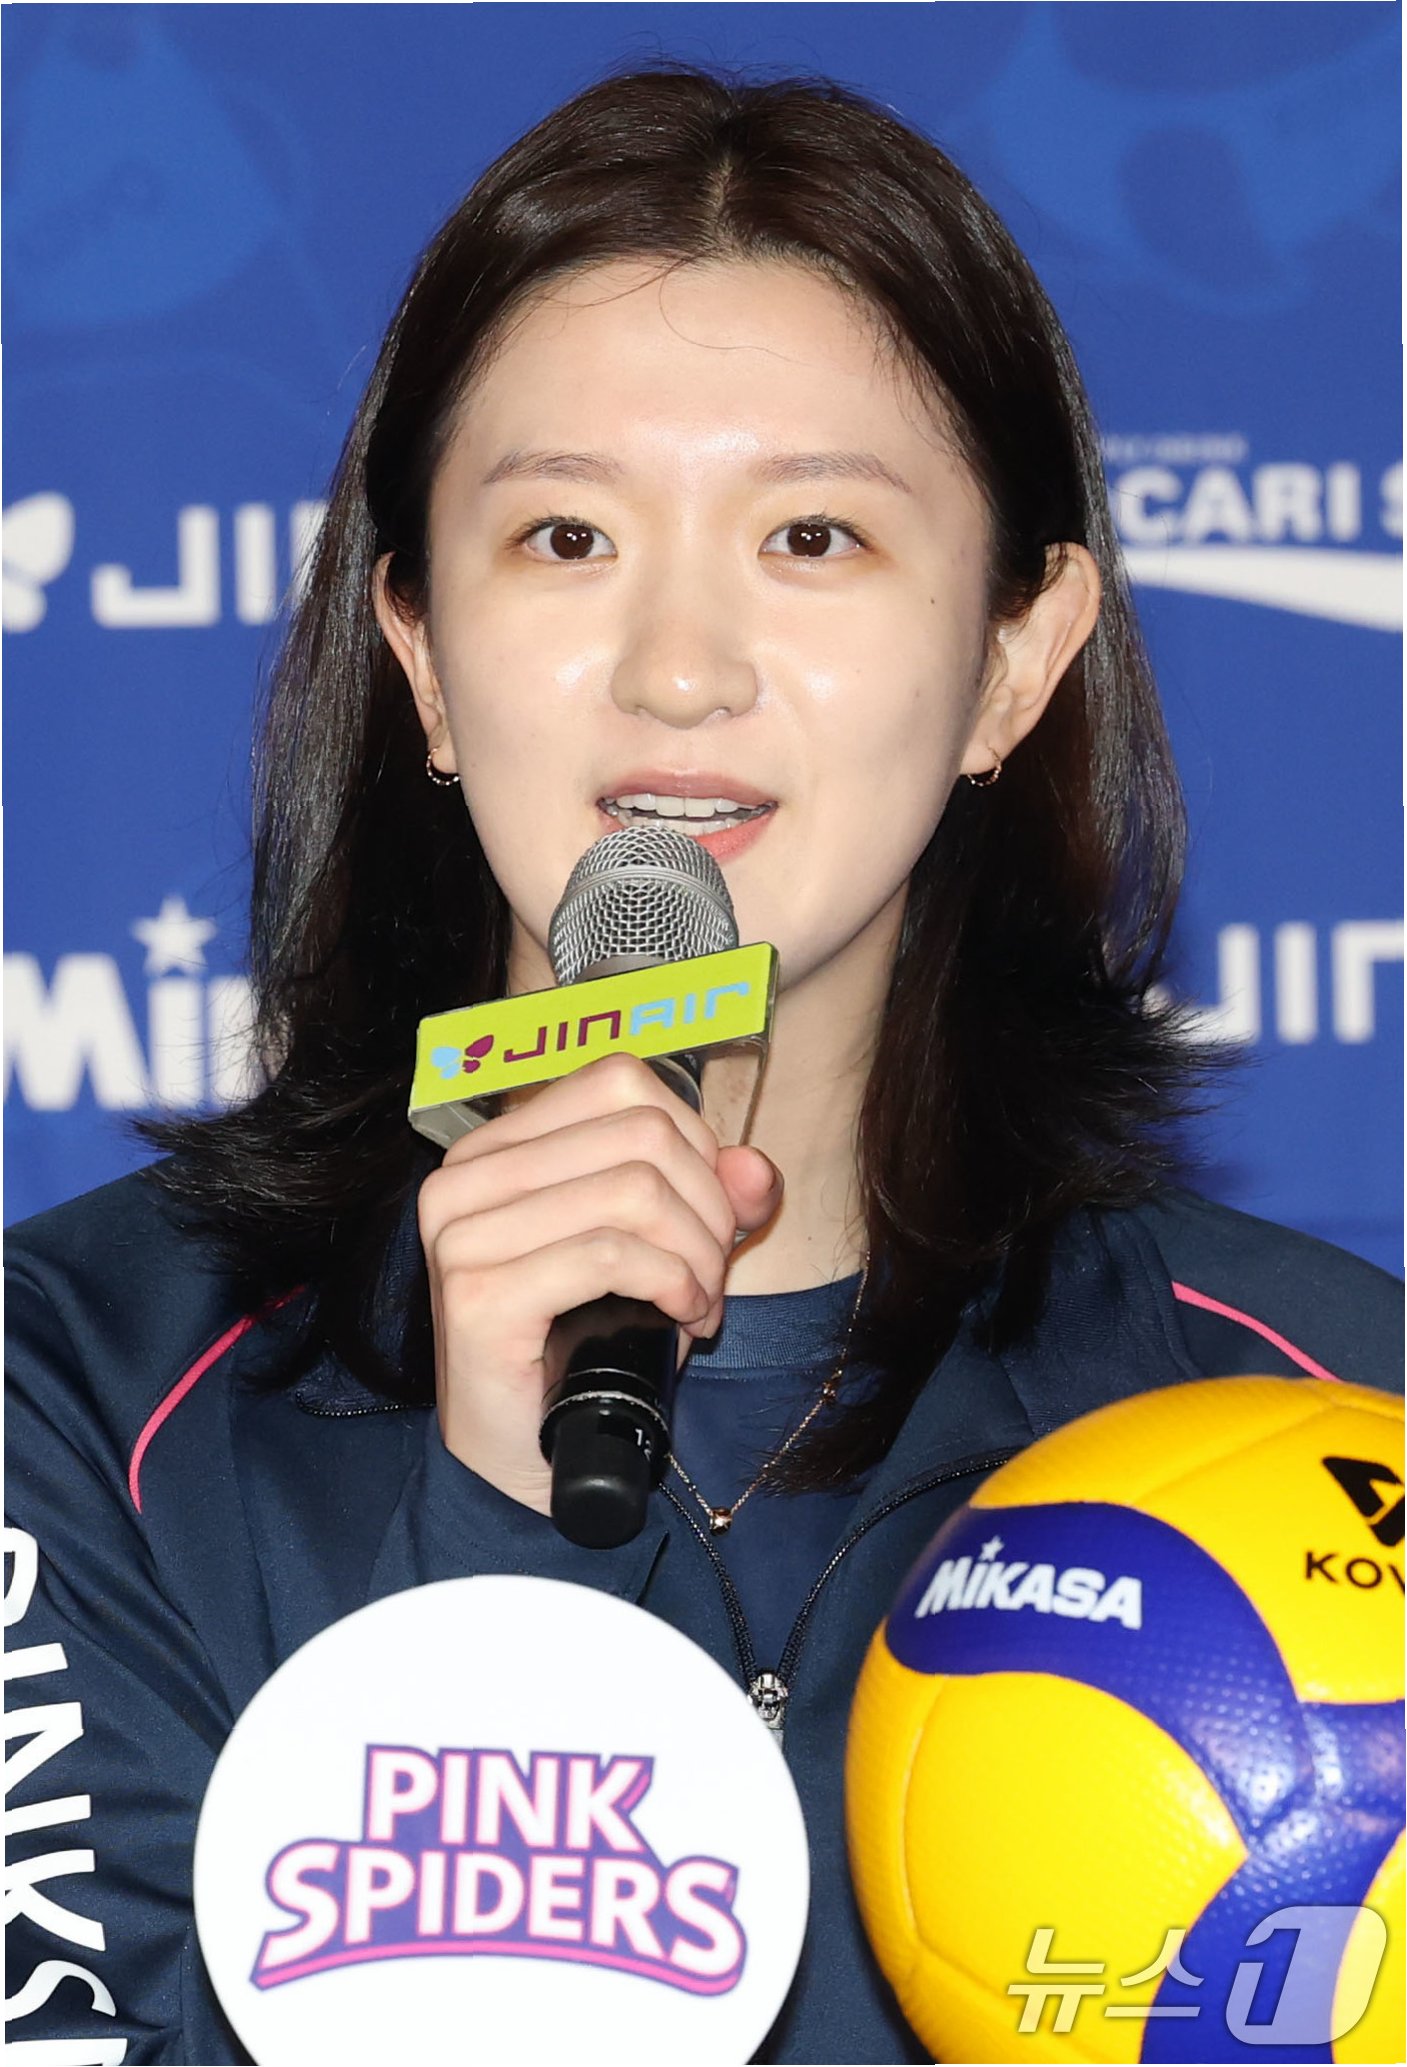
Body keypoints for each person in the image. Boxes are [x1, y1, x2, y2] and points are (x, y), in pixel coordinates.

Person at [6, 65, 1400, 2067]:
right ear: (422, 655)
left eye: (812, 536)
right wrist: (496, 1537)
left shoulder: (1326, 1405)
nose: (678, 666)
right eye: (564, 535)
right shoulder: (69, 1392)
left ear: (1012, 661)